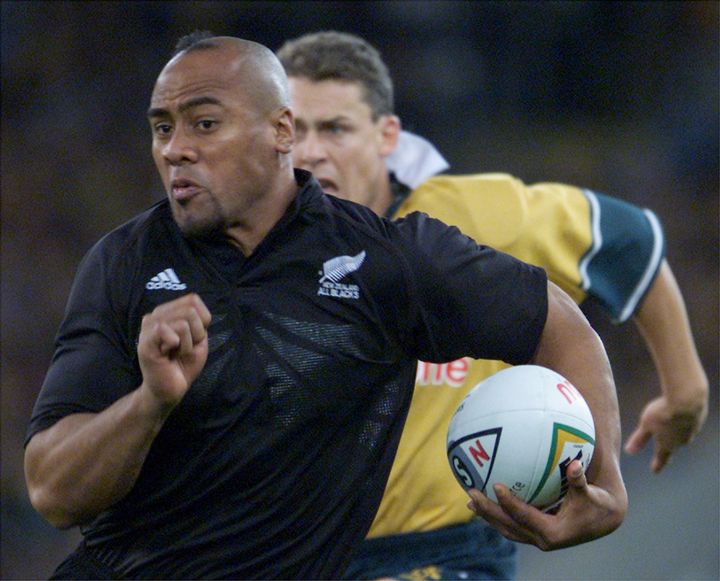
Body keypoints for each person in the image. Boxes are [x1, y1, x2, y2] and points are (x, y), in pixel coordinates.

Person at [23, 33, 628, 580]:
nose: (176, 149)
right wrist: (149, 403)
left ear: (283, 131)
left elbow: (558, 323)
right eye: (162, 128)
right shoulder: (123, 263)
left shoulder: (385, 260)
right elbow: (53, 490)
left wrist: (606, 487)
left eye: (204, 124)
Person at [276, 31, 709, 580]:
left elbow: (630, 242)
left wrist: (686, 387)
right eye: (297, 131)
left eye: (335, 128)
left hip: (447, 552)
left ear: (387, 135)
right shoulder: (254, 244)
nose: (312, 151)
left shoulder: (478, 216)